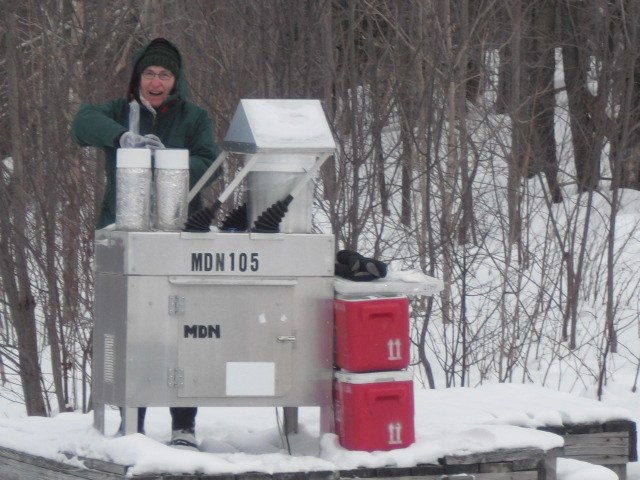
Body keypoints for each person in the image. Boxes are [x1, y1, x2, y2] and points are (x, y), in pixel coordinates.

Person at [71, 38, 221, 450]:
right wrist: (124, 139)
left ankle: (183, 425)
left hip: (182, 234)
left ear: (177, 80)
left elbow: (211, 165)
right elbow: (81, 125)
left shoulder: (194, 117)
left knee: (184, 331)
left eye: (165, 74)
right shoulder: (119, 112)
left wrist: (168, 159)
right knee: (128, 330)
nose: (156, 81)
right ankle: (131, 421)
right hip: (125, 234)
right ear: (139, 76)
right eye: (150, 73)